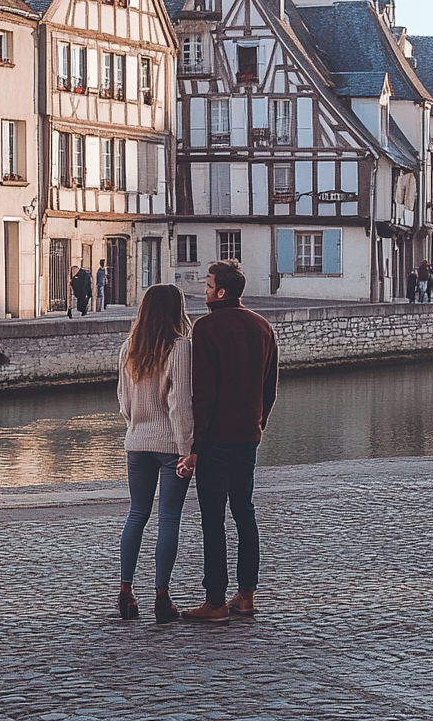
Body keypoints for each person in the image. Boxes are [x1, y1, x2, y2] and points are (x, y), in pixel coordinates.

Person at [178, 260, 278, 623]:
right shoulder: (262, 326)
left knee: (213, 520)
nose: (204, 293)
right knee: (245, 512)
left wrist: (195, 446)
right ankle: (247, 595)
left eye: (207, 287)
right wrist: (258, 424)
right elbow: (270, 386)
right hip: (247, 437)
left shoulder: (206, 329)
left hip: (216, 439)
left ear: (221, 292)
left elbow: (203, 394)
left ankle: (216, 601)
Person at [116, 284, 194, 623]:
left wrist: (136, 427)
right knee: (169, 519)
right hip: (170, 446)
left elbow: (124, 402)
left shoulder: (128, 348)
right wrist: (187, 449)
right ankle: (162, 597)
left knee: (136, 514)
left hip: (137, 442)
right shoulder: (179, 348)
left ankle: (125, 591)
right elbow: (180, 405)